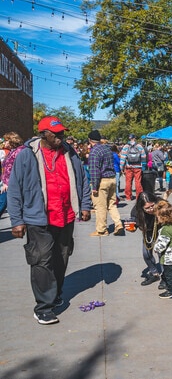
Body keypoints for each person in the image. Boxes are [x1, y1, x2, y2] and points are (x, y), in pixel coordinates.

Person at [7, 116, 92, 325]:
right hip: (39, 219)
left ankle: (54, 295)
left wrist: (86, 205)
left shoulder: (69, 153)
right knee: (41, 261)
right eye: (56, 134)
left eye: (62, 133)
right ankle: (43, 307)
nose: (60, 137)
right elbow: (15, 188)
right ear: (43, 134)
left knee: (61, 258)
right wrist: (17, 220)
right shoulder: (27, 155)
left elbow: (82, 179)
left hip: (65, 216)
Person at [88, 130, 124, 237]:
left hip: (101, 181)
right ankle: (118, 224)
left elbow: (94, 170)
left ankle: (101, 230)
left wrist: (94, 186)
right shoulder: (107, 149)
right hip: (112, 178)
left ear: (90, 140)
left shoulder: (94, 152)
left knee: (100, 206)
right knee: (112, 204)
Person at [132, 191, 165, 287]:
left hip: (162, 230)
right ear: (141, 207)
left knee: (161, 254)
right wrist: (132, 227)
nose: (150, 209)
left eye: (152, 206)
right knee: (146, 254)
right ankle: (154, 273)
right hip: (148, 232)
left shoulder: (162, 205)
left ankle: (165, 277)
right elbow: (134, 224)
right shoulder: (136, 211)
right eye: (147, 208)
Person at [0, 132, 26, 219]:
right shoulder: (13, 151)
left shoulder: (19, 151)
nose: (4, 143)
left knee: (2, 203)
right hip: (8, 183)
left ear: (12, 141)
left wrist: (6, 183)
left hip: (12, 184)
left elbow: (12, 169)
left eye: (6, 141)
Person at [120, 134, 146, 201]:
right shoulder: (139, 146)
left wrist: (121, 167)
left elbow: (122, 157)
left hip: (129, 167)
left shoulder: (126, 146)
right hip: (138, 167)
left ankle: (128, 196)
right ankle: (139, 197)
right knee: (138, 182)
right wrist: (143, 165)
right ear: (135, 138)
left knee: (128, 182)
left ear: (129, 138)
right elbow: (143, 156)